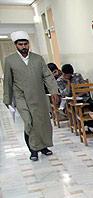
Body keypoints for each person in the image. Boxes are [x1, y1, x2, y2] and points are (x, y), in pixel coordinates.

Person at [3, 31, 59, 161]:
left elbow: (47, 76)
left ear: (28, 44)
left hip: (38, 95)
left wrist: (54, 91)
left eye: (25, 44)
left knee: (41, 122)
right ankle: (33, 150)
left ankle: (43, 146)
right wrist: (7, 99)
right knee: (29, 122)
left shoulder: (38, 59)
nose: (24, 47)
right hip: (21, 96)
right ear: (15, 45)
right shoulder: (10, 60)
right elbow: (8, 81)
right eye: (20, 44)